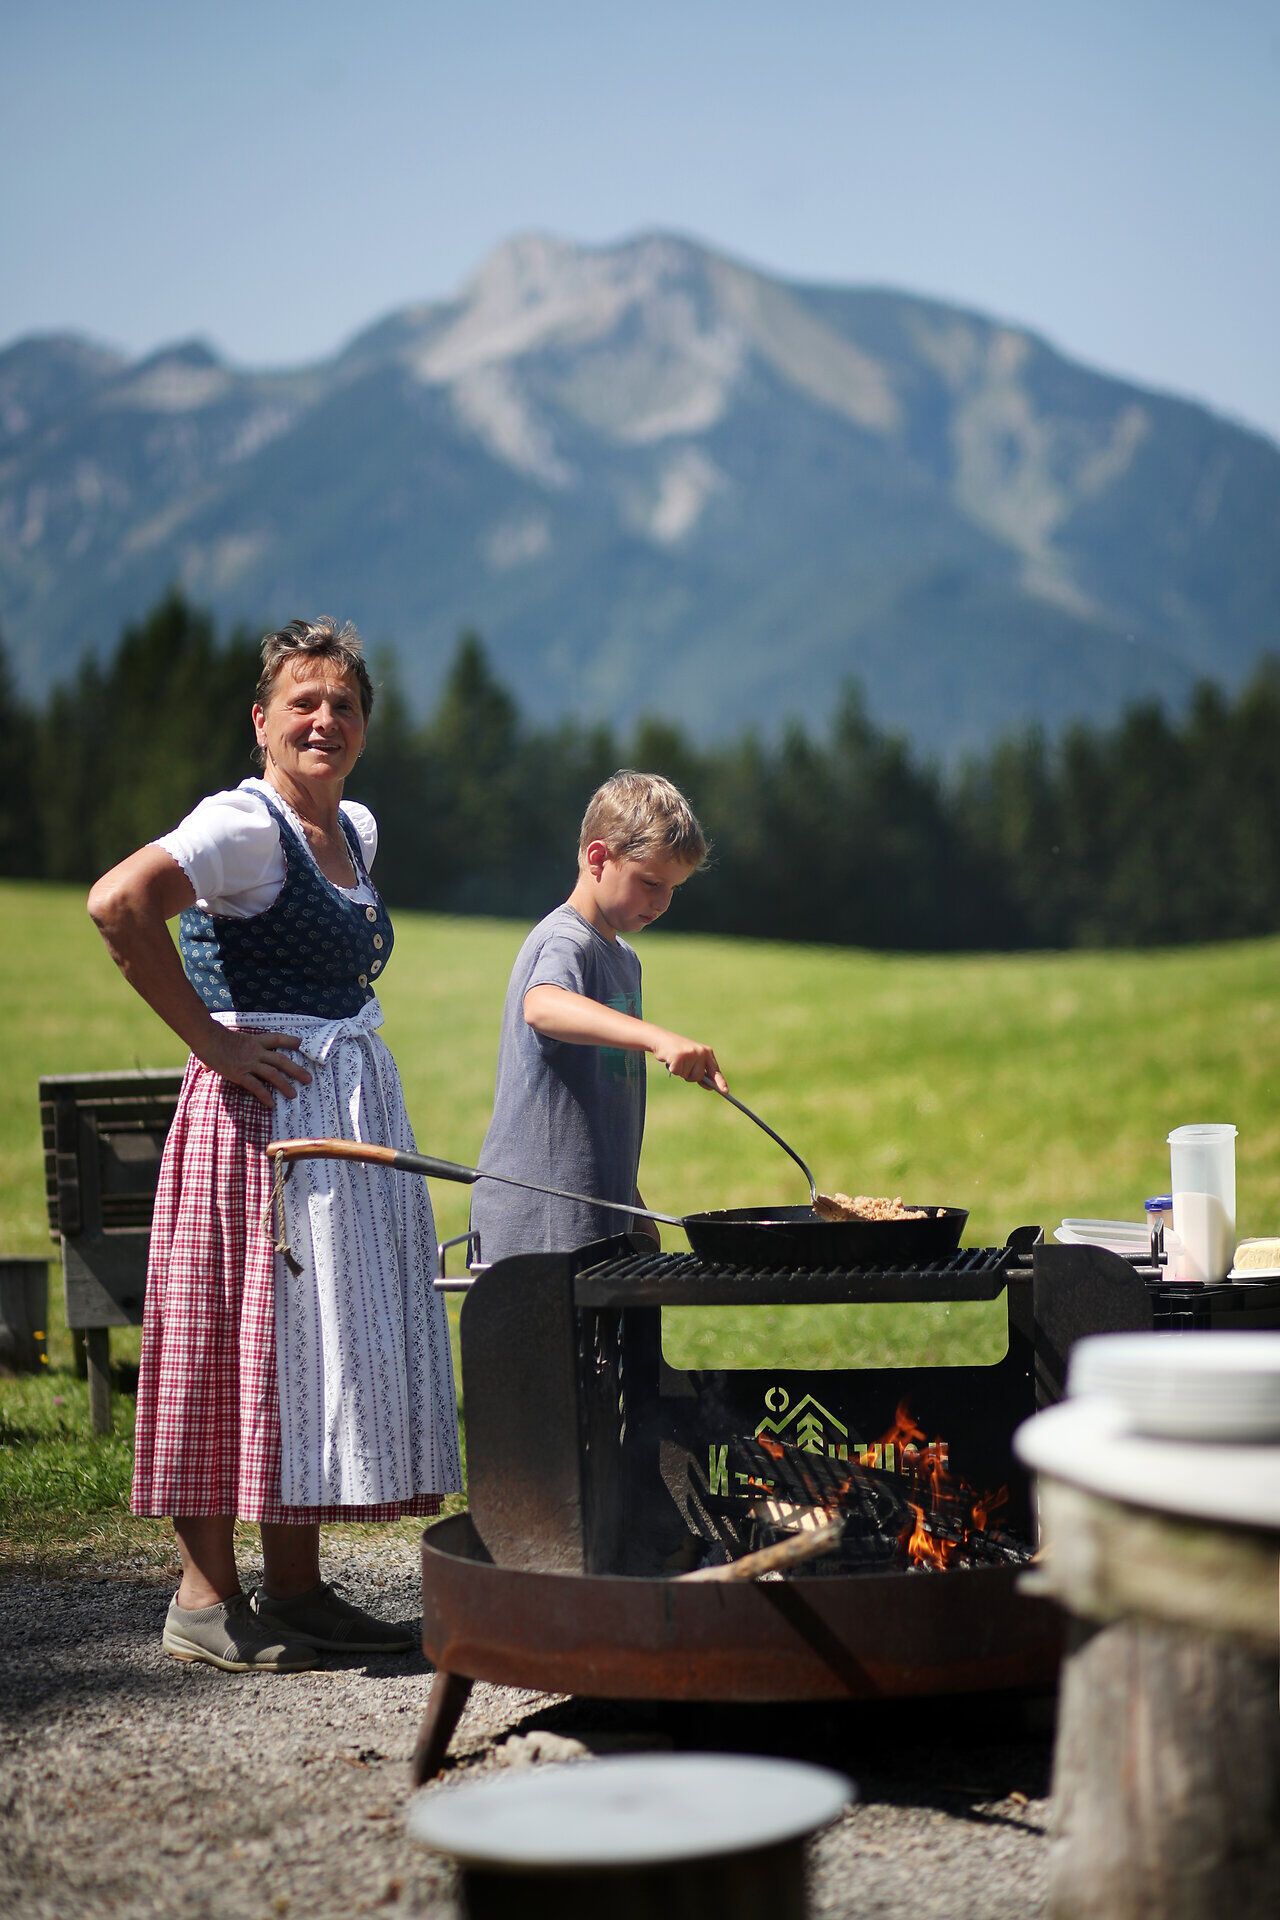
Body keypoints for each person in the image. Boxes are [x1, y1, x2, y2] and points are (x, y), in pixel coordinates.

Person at [87, 617, 461, 1673]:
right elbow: (118, 905)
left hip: (334, 1113)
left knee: (307, 1341)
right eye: (303, 701)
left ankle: (296, 1588)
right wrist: (208, 1039)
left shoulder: (356, 830)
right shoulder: (238, 826)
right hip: (258, 1121)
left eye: (344, 705)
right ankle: (205, 1598)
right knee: (225, 1334)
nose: (325, 720)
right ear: (262, 720)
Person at [469, 770, 727, 1265]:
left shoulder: (624, 959)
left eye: (672, 888)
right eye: (650, 883)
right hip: (540, 1227)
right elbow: (542, 1004)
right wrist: (655, 1038)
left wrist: (631, 1204)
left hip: (597, 1219)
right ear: (598, 858)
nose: (662, 902)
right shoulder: (565, 941)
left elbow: (600, 1105)